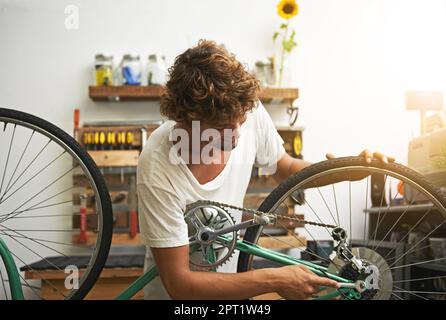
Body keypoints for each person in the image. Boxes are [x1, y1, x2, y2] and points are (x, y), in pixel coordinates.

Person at [136, 39, 394, 300]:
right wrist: (274, 278)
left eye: (241, 121)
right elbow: (181, 285)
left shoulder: (244, 110)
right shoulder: (158, 166)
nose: (237, 135)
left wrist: (347, 170)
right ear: (189, 117)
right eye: (224, 126)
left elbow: (286, 169)